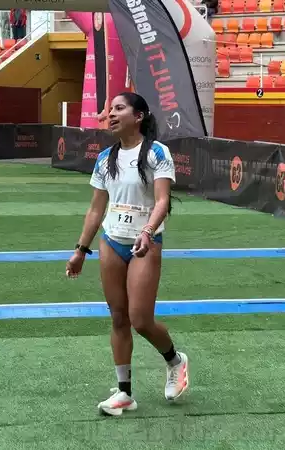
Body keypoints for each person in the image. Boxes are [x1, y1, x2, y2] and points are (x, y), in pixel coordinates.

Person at [66, 92, 189, 417]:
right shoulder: (105, 158)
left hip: (145, 243)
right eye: (110, 110)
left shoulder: (156, 152)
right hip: (111, 241)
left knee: (140, 319)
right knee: (118, 318)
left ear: (139, 116)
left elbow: (162, 200)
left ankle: (175, 360)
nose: (111, 114)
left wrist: (147, 231)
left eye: (119, 108)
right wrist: (80, 250)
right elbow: (96, 209)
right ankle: (124, 393)